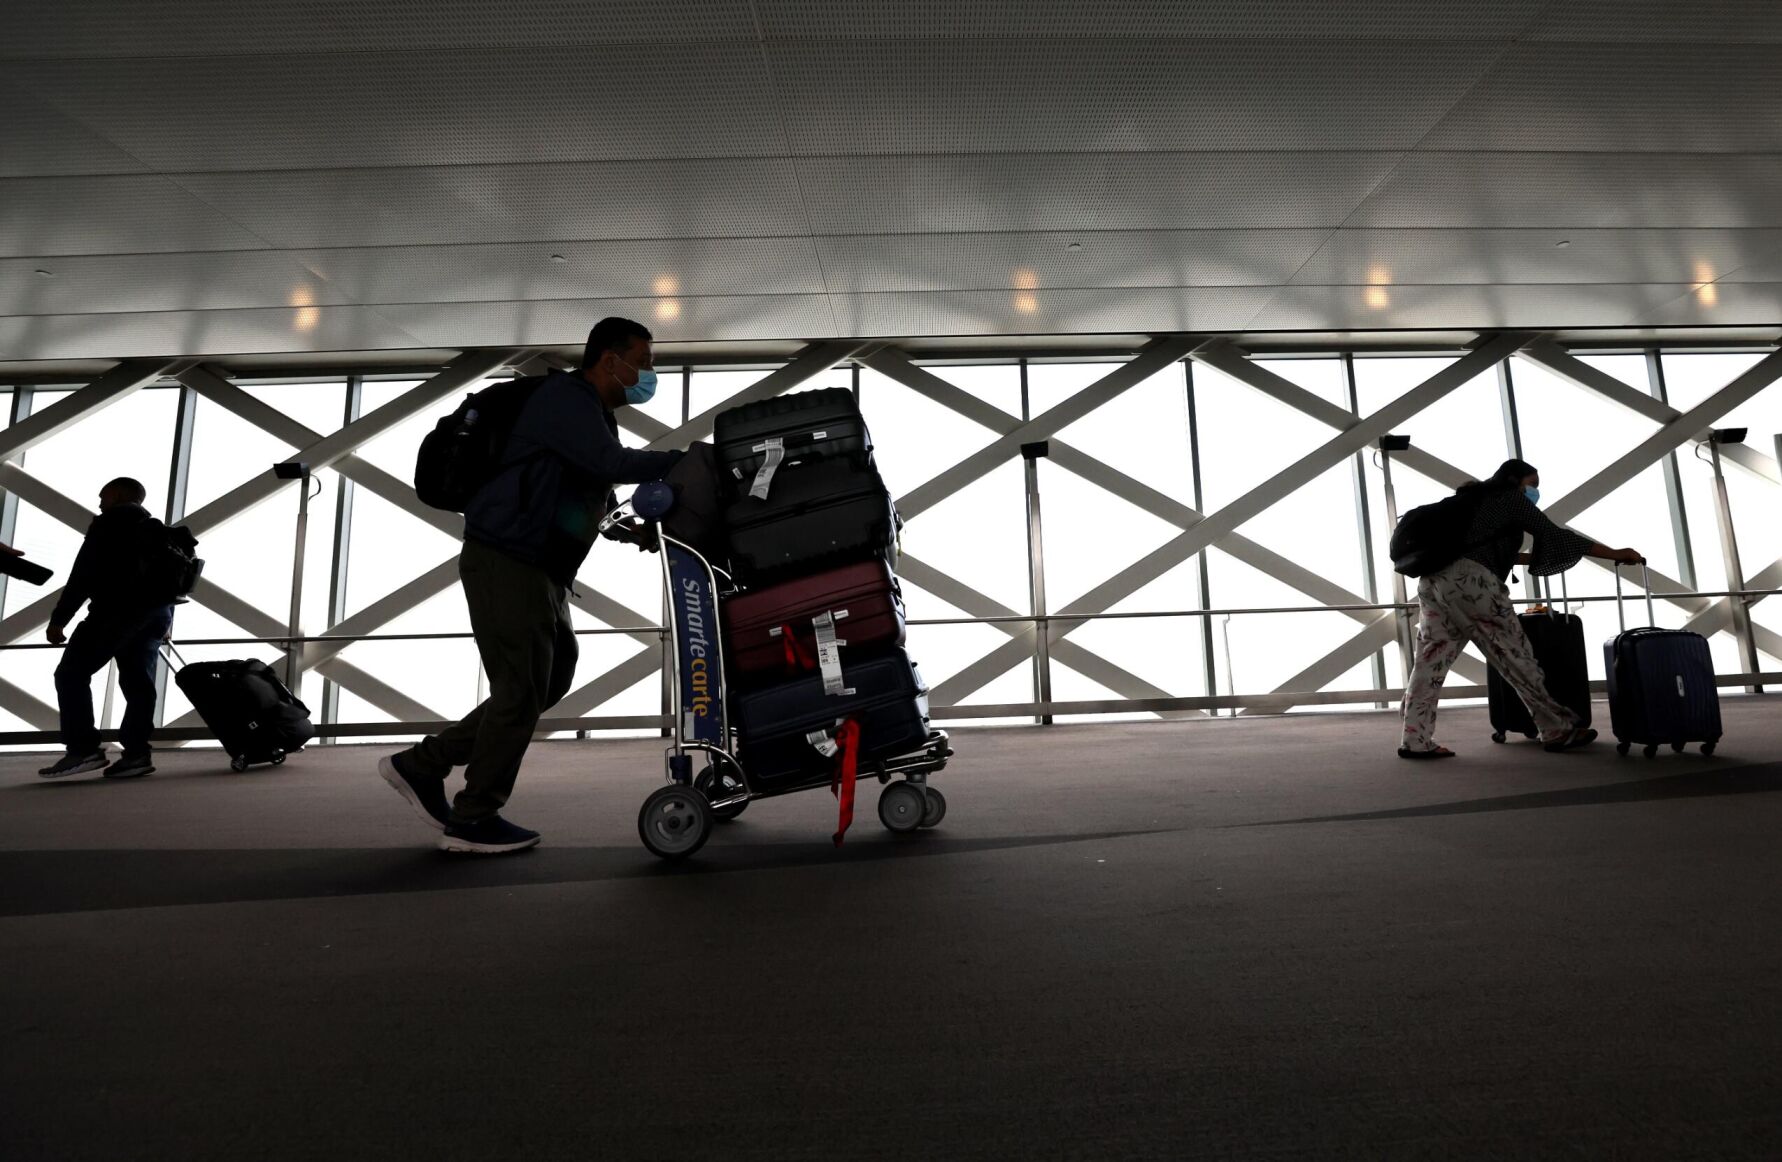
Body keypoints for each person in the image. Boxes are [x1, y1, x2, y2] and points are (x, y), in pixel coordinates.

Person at [378, 317, 682, 854]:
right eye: (644, 362)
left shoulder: (594, 415)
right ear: (610, 360)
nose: (648, 374)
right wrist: (688, 461)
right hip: (508, 561)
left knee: (551, 678)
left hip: (541, 569)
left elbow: (589, 494)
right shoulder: (565, 399)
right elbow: (610, 464)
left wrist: (632, 532)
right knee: (520, 690)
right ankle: (473, 818)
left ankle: (423, 764)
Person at [1399, 458, 1642, 760]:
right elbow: (1554, 534)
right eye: (1533, 484)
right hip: (1472, 584)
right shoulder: (1510, 499)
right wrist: (1615, 553)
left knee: (1430, 661)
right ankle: (1557, 729)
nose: (1535, 491)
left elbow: (1490, 551)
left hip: (1434, 581)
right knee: (1515, 655)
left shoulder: (1473, 501)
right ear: (1514, 480)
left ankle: (1415, 739)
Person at [38, 477, 176, 780]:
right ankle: (137, 754)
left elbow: (82, 575)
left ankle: (83, 748)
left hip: (115, 613)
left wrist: (59, 619)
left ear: (118, 495)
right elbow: (171, 579)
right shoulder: (157, 530)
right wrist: (165, 619)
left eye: (104, 496)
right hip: (155, 614)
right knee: (139, 685)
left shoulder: (108, 524)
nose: (100, 503)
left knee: (71, 674)